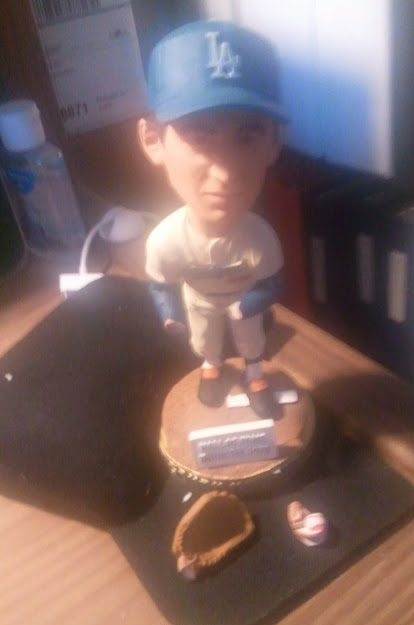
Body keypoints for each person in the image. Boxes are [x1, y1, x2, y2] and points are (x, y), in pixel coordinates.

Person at [140, 20, 287, 418]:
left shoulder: (259, 239)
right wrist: (170, 315)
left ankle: (255, 375)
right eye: (198, 136)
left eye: (247, 137)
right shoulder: (166, 240)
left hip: (242, 301)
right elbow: (161, 285)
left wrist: (249, 304)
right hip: (200, 299)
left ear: (274, 143)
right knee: (205, 339)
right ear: (153, 140)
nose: (225, 172)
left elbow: (273, 283)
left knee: (251, 340)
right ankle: (211, 366)